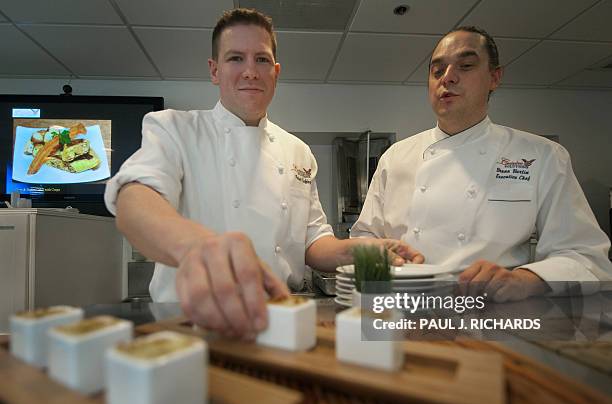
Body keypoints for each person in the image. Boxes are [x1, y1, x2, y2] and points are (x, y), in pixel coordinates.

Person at [104, 8, 422, 338]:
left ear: (276, 71)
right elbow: (133, 202)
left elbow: (314, 242)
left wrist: (356, 250)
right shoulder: (175, 129)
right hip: (191, 324)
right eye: (235, 58)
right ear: (214, 71)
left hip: (279, 321)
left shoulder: (297, 151)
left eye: (261, 60)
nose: (250, 72)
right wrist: (197, 246)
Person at [351, 26, 612, 302]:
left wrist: (526, 279)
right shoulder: (396, 156)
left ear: (494, 77)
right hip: (403, 313)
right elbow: (362, 241)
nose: (448, 78)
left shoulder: (542, 156)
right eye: (437, 71)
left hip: (494, 318)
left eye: (465, 66)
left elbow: (587, 257)